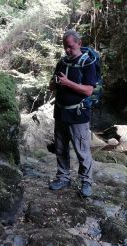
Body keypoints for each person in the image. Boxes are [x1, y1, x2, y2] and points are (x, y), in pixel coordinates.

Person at [48, 29, 97, 197]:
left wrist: (68, 83)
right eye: (65, 47)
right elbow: (51, 86)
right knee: (60, 148)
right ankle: (63, 177)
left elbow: (89, 90)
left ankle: (86, 181)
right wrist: (54, 83)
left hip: (78, 114)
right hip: (60, 112)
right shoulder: (62, 62)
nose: (67, 50)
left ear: (79, 43)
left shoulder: (88, 63)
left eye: (70, 46)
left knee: (82, 150)